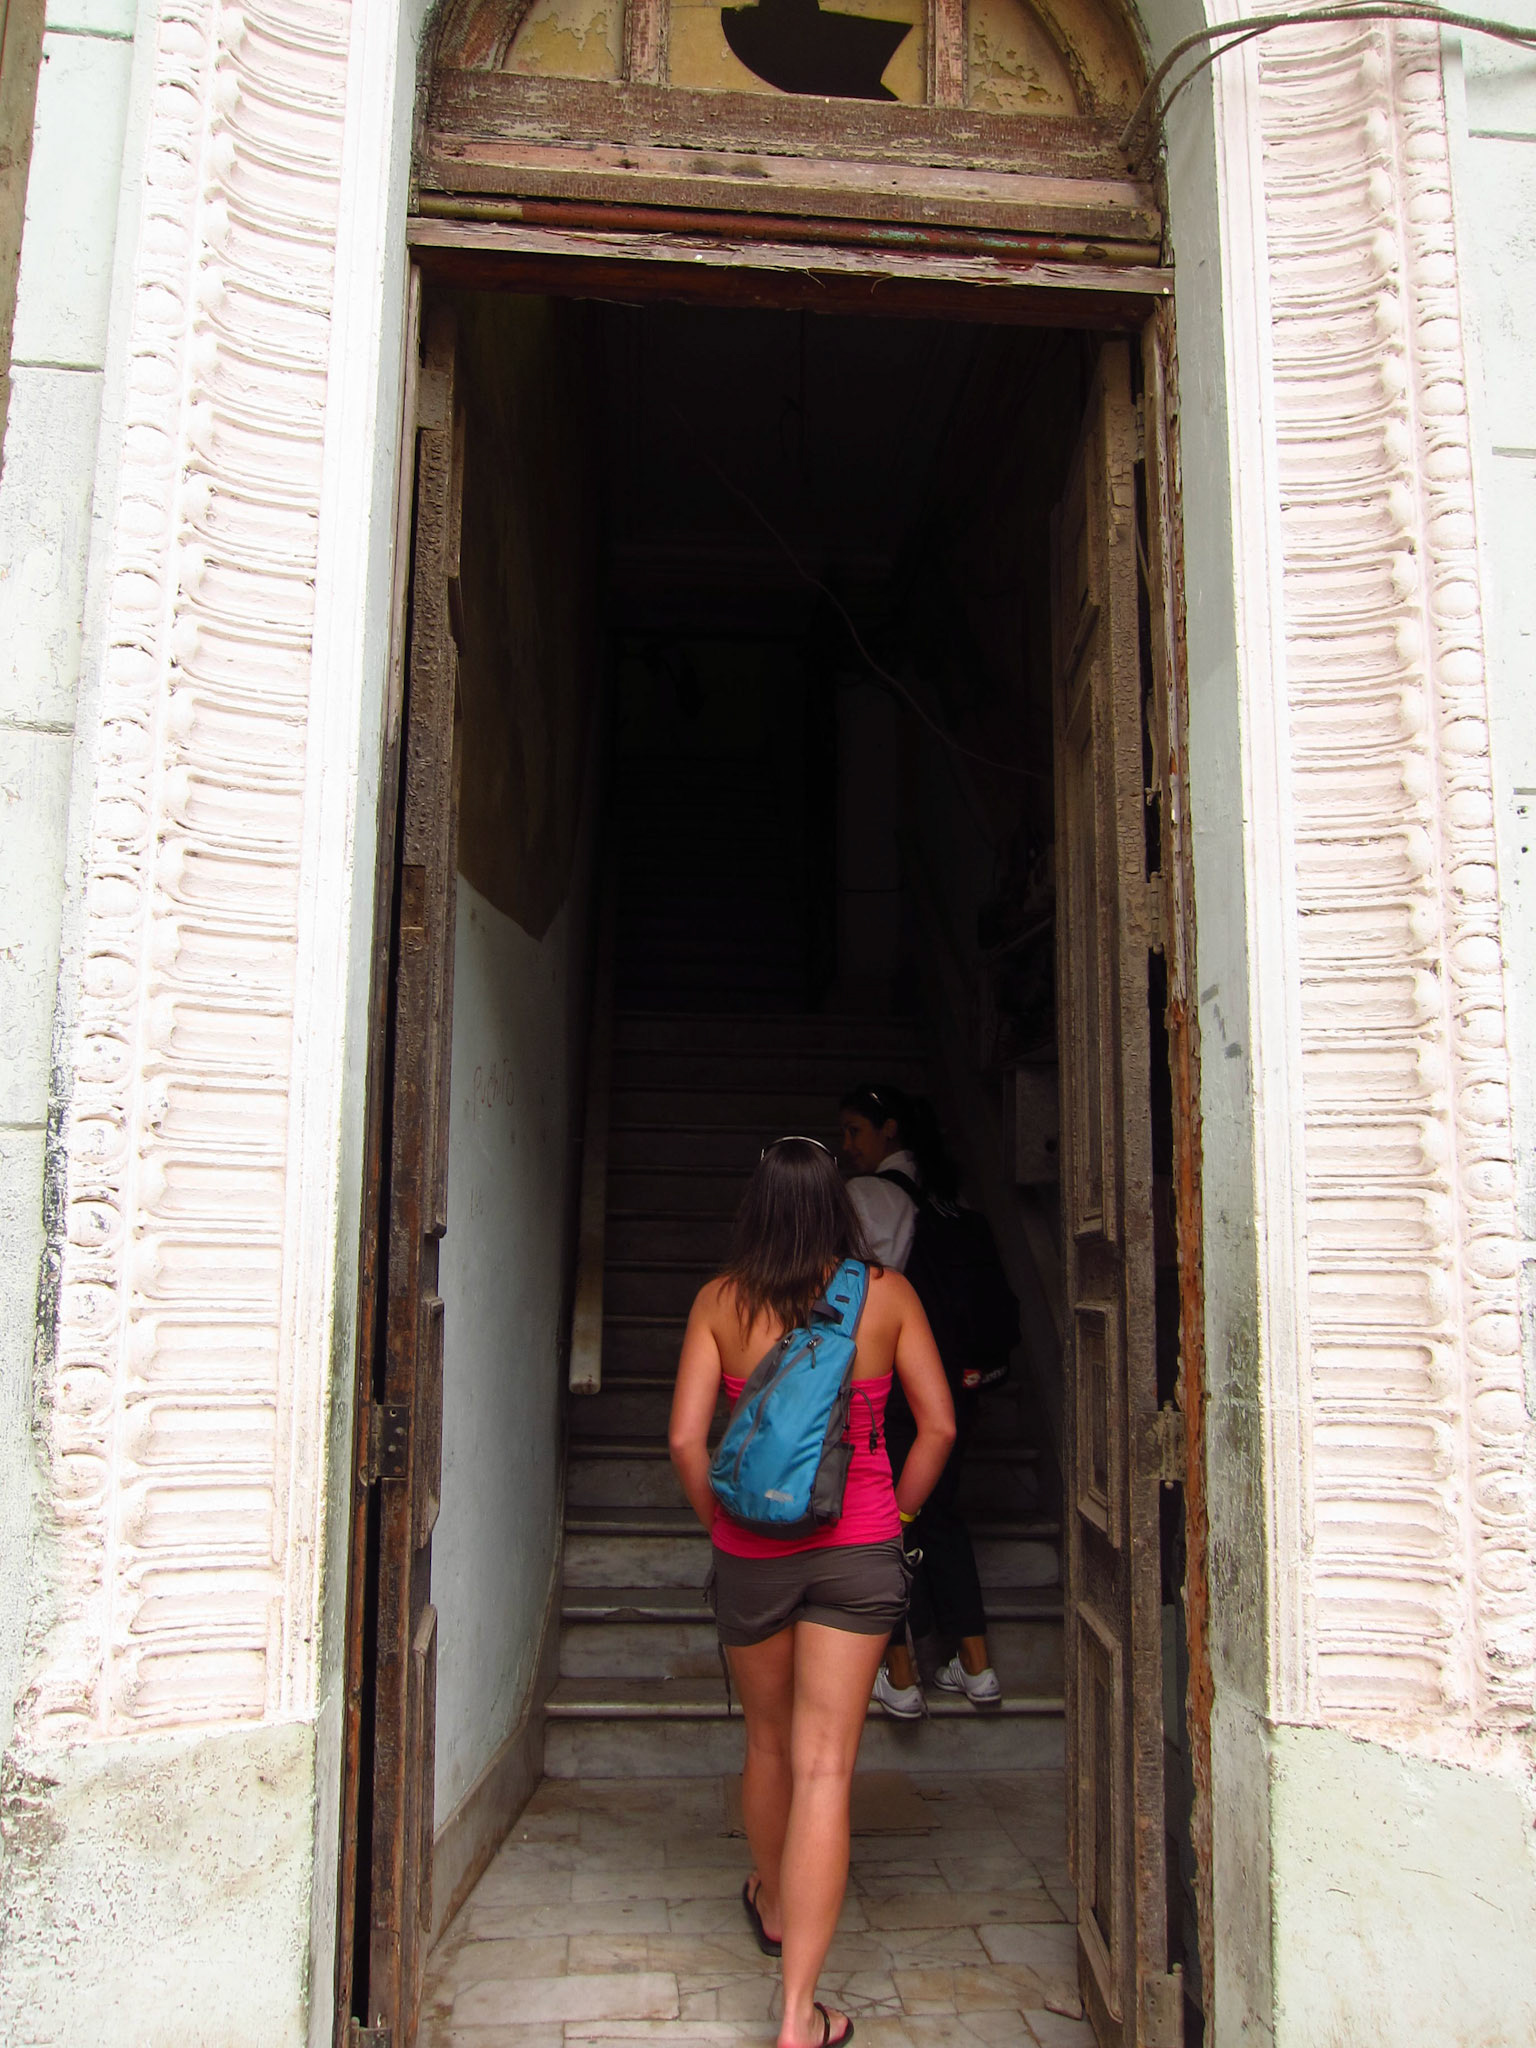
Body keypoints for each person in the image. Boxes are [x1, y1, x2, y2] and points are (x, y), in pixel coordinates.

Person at [669, 1137, 956, 2048]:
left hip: (752, 1554)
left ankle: (775, 1904)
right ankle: (799, 2016)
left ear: (757, 1204)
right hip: (859, 1549)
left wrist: (721, 1523)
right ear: (838, 1204)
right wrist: (894, 1516)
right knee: (828, 1765)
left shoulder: (719, 1301)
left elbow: (683, 1441)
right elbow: (939, 1427)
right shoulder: (887, 1298)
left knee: (767, 1744)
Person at [837, 1085, 1010, 1719]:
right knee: (940, 1518)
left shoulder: (865, 1198)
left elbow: (851, 1299)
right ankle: (975, 1666)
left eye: (856, 1131)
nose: (846, 1146)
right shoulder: (948, 1201)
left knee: (884, 1521)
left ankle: (901, 1674)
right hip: (954, 1390)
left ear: (890, 1133)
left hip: (894, 1393)